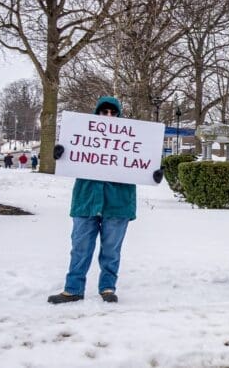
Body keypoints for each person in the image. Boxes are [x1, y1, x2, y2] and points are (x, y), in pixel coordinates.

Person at [47, 96, 163, 304]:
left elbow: (143, 162)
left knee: (111, 250)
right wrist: (60, 153)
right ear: (97, 113)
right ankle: (73, 289)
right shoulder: (84, 134)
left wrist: (153, 173)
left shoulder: (132, 139)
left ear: (118, 114)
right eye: (104, 111)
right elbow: (72, 156)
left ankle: (107, 287)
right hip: (86, 201)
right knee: (80, 248)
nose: (108, 115)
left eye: (112, 112)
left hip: (118, 204)